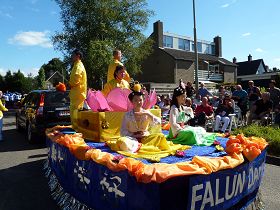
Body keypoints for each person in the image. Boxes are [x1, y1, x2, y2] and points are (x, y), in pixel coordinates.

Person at [106, 91, 188, 161]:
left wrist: (148, 114)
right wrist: (134, 135)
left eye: (140, 100)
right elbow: (122, 131)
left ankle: (142, 148)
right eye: (136, 100)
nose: (139, 102)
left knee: (160, 136)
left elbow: (159, 123)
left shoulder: (147, 113)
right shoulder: (127, 115)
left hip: (146, 138)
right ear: (131, 102)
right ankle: (146, 148)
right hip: (131, 139)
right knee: (121, 141)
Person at [69, 49, 87, 121]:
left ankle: (76, 130)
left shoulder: (78, 66)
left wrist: (69, 84)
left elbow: (76, 79)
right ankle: (76, 129)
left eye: (73, 55)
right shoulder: (77, 65)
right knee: (75, 114)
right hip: (77, 94)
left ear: (78, 56)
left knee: (75, 116)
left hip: (78, 94)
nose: (71, 56)